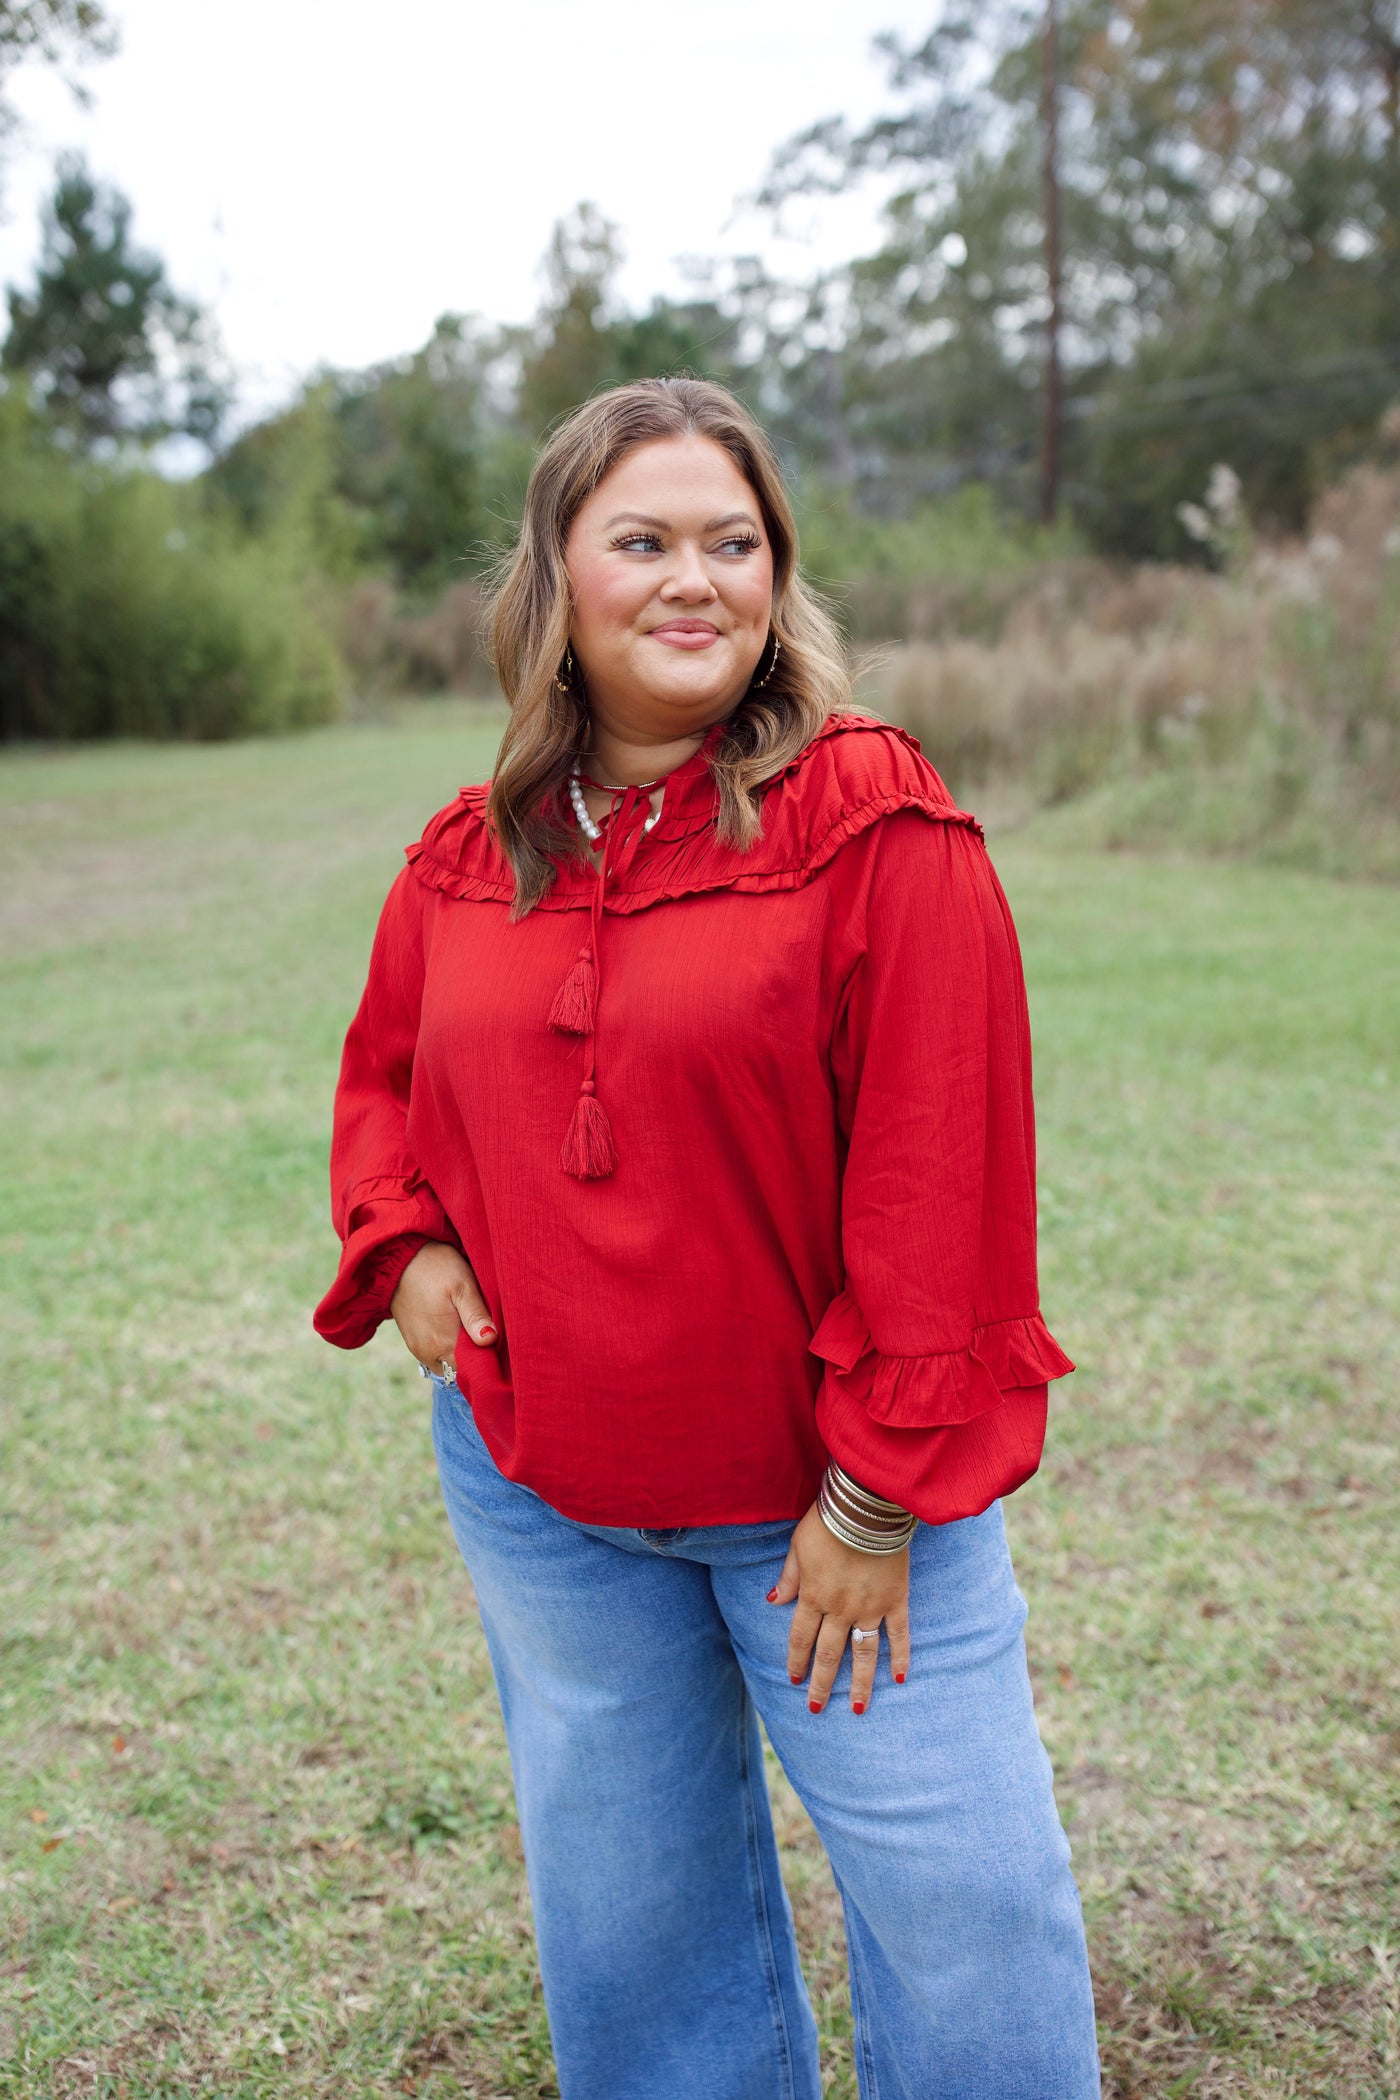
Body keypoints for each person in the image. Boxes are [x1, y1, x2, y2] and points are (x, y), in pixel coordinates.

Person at [315, 377, 1100, 2099]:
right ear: (555, 582)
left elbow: (939, 1178)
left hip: (830, 1508)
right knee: (635, 1925)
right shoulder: (471, 852)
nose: (696, 580)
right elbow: (386, 1078)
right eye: (645, 541)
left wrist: (875, 1497)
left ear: (777, 576)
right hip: (546, 1500)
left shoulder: (871, 820)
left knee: (965, 1914)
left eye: (733, 542)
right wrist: (410, 1250)